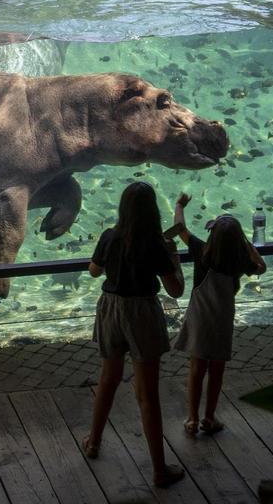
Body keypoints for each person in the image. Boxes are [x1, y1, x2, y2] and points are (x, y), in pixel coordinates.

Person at [83, 181, 186, 487]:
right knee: (147, 394)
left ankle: (93, 443)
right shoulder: (155, 244)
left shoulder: (109, 236)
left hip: (111, 309)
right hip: (142, 312)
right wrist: (175, 258)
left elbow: (93, 271)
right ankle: (158, 469)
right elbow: (176, 290)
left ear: (122, 209)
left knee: (108, 379)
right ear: (152, 211)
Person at [173, 194, 266, 436]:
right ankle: (210, 416)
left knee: (196, 368)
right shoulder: (239, 262)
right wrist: (249, 246)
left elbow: (181, 229)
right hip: (222, 321)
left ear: (212, 235)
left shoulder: (202, 253)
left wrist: (180, 205)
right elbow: (261, 267)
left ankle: (192, 419)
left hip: (199, 318)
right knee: (216, 371)